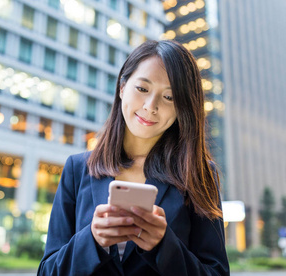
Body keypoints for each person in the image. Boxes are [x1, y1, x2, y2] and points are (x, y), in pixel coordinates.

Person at [37, 40, 229, 275]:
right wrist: (92, 239)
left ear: (182, 108)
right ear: (122, 87)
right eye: (142, 89)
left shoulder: (199, 173)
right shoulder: (77, 169)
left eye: (169, 97)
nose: (151, 106)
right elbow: (47, 271)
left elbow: (217, 272)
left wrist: (164, 246)